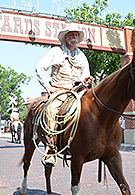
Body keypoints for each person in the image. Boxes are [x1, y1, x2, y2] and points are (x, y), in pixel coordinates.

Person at [35, 26, 93, 167]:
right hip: (60, 91)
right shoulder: (56, 52)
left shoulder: (82, 56)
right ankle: (51, 148)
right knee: (51, 111)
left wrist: (87, 80)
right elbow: (39, 68)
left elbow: (85, 74)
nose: (74, 37)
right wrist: (47, 87)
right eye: (71, 34)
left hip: (78, 91)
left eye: (76, 35)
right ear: (65, 38)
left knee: (92, 109)